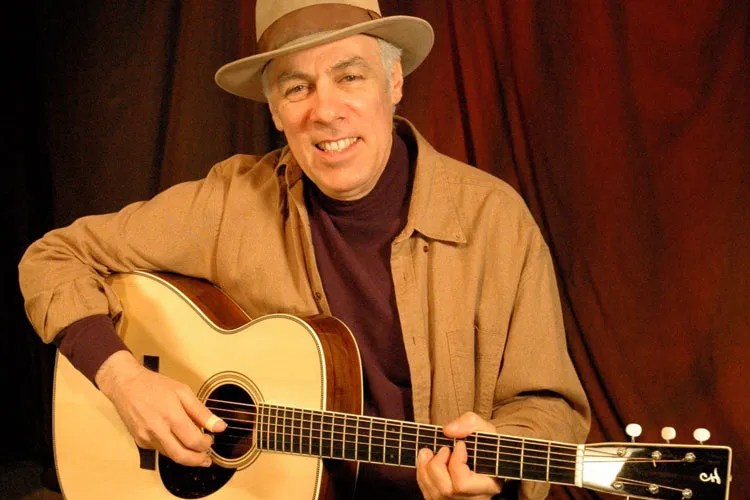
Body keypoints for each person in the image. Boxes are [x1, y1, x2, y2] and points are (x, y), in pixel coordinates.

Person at [19, 0, 590, 498]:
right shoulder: (231, 203)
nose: (324, 111)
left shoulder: (494, 220)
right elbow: (52, 257)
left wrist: (497, 462)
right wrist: (124, 379)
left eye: (350, 77)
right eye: (297, 87)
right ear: (274, 110)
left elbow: (550, 407)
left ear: (394, 84)